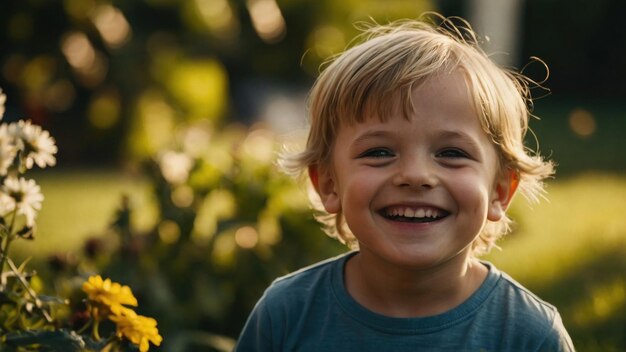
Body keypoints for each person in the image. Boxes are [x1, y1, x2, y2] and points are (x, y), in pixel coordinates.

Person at [236, 13, 574, 351]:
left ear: (500, 190)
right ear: (328, 184)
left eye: (452, 153)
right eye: (380, 152)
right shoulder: (285, 315)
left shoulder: (529, 335)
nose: (415, 175)